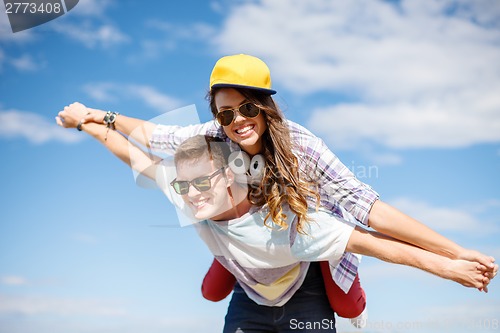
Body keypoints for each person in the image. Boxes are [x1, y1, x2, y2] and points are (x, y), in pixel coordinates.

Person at [55, 54, 497, 330]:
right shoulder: (215, 136)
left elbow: (368, 210)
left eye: (249, 108)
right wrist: (96, 116)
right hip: (240, 241)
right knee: (213, 289)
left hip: (302, 241)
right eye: (227, 113)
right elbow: (153, 140)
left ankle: (350, 304)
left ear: (265, 107)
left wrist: (454, 254)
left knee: (341, 300)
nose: (238, 121)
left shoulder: (301, 146)